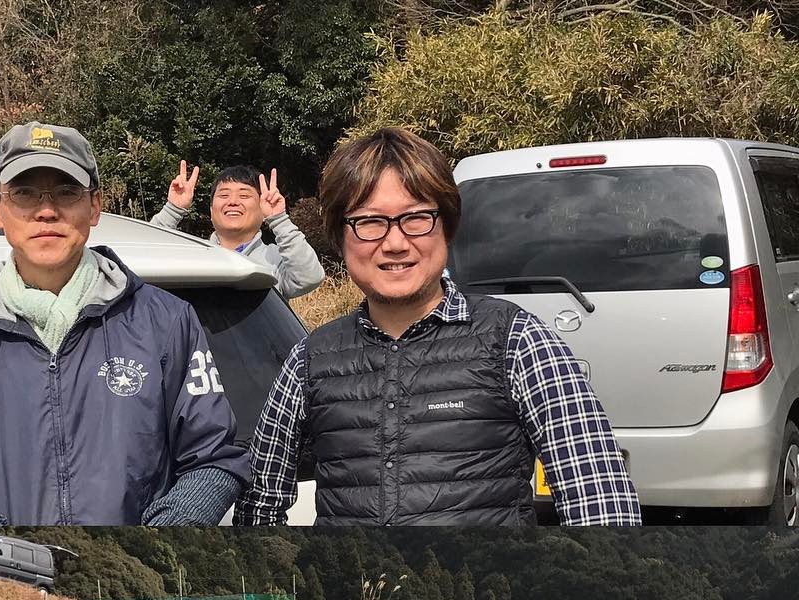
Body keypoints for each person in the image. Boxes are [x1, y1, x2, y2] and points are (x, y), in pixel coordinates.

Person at [234, 127, 642, 527]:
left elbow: (600, 501)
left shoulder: (517, 341)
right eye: (369, 221)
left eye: (417, 218)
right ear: (340, 238)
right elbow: (259, 503)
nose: (394, 243)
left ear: (447, 226)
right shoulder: (310, 358)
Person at [0, 122, 250, 526]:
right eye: (23, 192)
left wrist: (165, 535)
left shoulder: (167, 322)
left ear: (94, 207)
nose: (46, 210)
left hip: (137, 581)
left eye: (67, 191)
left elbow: (214, 457)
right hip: (1, 581)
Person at [151, 161, 325, 299]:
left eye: (244, 195)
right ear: (211, 210)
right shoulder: (192, 254)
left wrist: (279, 219)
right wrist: (173, 209)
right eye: (224, 195)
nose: (233, 201)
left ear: (262, 209)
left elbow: (309, 278)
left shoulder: (275, 259)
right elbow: (144, 259)